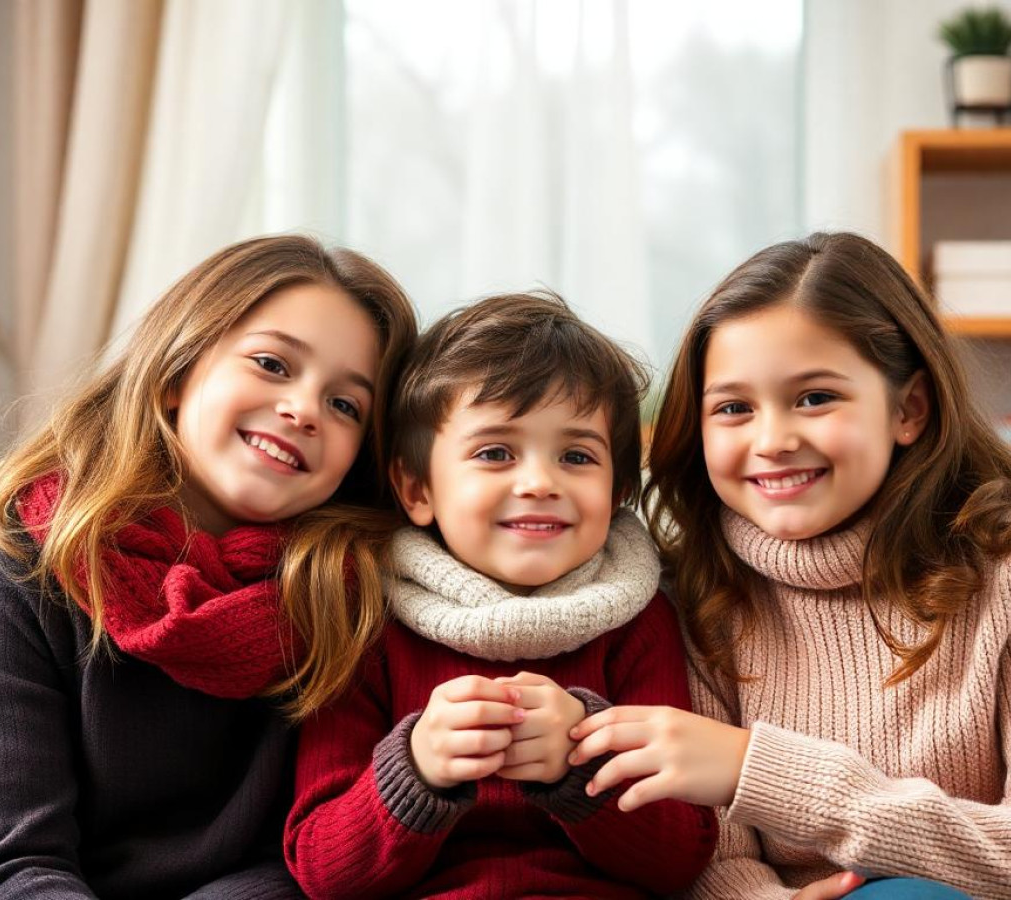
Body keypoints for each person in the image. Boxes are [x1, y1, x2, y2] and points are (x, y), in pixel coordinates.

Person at [569, 232, 1011, 900]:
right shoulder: (698, 587)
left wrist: (762, 770)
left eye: (814, 398)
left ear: (908, 409)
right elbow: (716, 859)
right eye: (734, 408)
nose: (772, 440)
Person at [0, 235, 417, 899]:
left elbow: (327, 858)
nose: (305, 409)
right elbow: (5, 861)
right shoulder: (28, 571)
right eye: (273, 364)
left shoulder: (355, 595)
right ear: (175, 373)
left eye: (345, 405)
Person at [283, 292, 718, 898]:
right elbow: (324, 872)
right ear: (417, 490)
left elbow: (680, 858)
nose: (539, 482)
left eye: (575, 456)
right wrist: (417, 770)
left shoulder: (642, 623)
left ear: (619, 492)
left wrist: (581, 763)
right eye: (494, 453)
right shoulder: (367, 624)